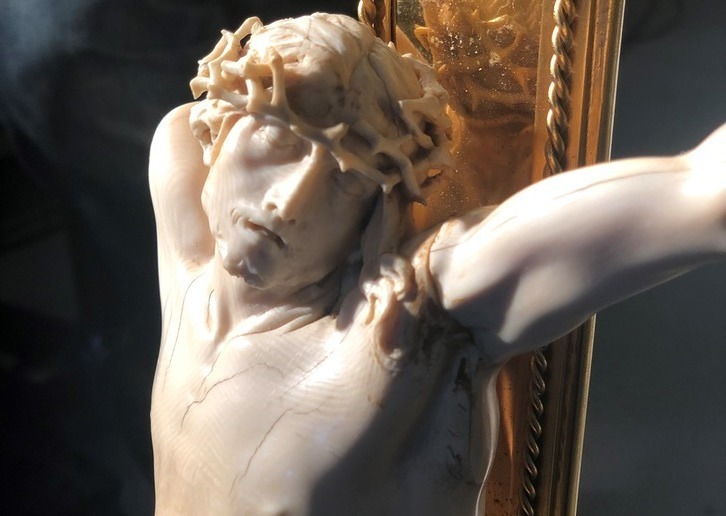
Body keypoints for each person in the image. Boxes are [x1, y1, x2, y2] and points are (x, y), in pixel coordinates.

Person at [148, 13, 726, 516]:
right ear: (219, 127)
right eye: (279, 138)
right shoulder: (188, 244)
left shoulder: (397, 329)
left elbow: (701, 196)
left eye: (348, 183)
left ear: (376, 214)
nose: (290, 202)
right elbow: (182, 127)